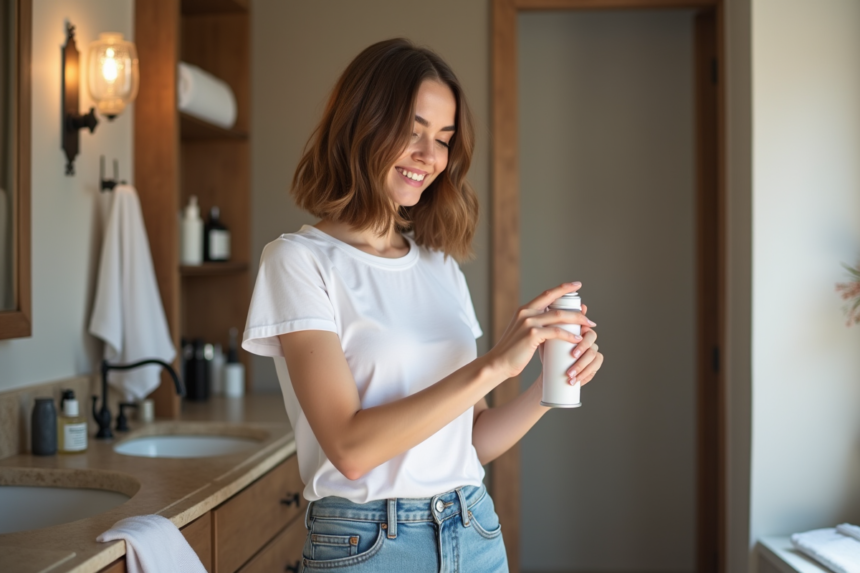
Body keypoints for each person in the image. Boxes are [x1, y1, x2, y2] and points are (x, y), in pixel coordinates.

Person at [243, 38, 604, 573]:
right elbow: (350, 448)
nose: (429, 156)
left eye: (442, 138)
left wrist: (549, 389)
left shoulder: (440, 267)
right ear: (362, 124)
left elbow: (471, 441)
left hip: (474, 528)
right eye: (412, 132)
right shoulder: (298, 262)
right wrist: (493, 364)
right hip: (367, 543)